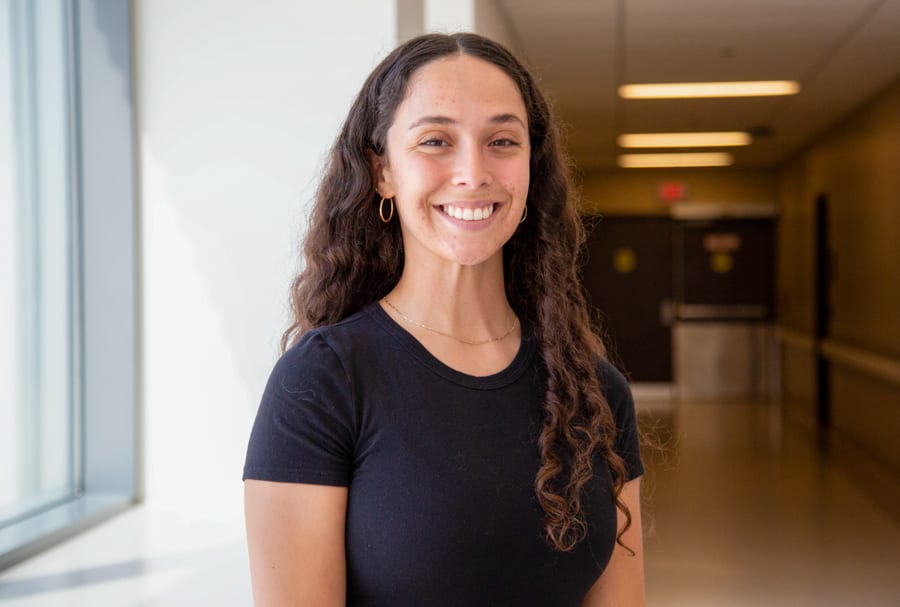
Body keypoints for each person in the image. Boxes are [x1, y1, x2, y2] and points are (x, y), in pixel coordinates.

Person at [243, 32, 645, 606]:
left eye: (502, 140)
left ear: (531, 166)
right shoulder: (323, 382)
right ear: (382, 172)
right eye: (435, 140)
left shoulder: (595, 390)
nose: (472, 171)